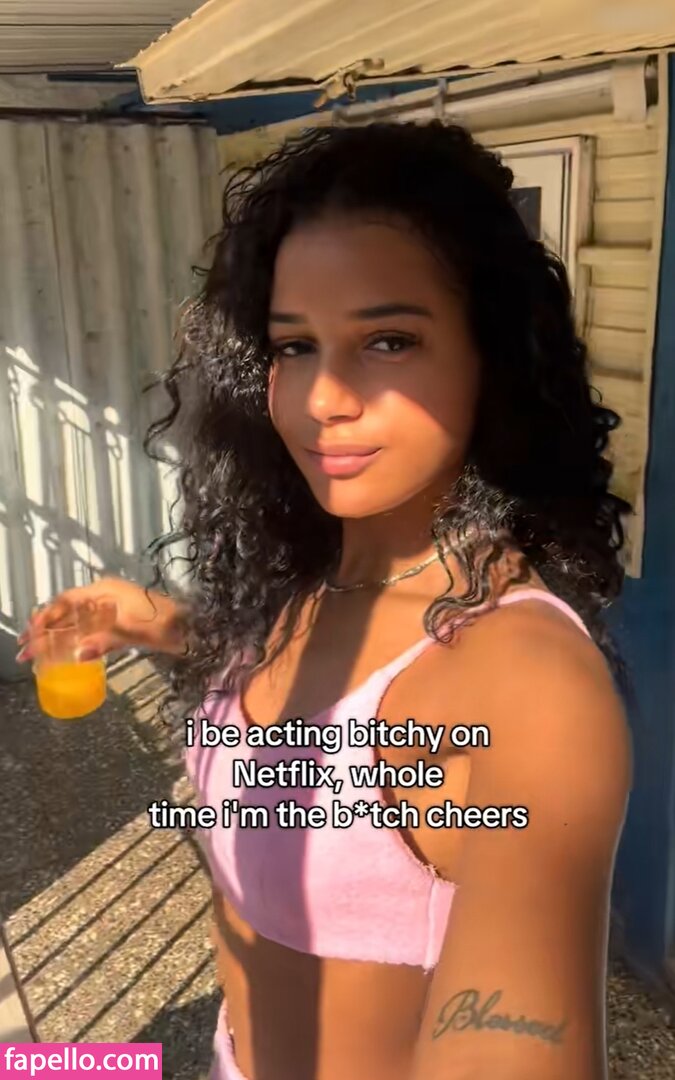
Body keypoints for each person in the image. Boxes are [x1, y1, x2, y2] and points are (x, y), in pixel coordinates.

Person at [18, 120, 632, 1080]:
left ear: (492, 359)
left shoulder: (523, 681)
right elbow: (295, 700)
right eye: (295, 345)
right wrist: (155, 620)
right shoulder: (316, 575)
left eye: (388, 340)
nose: (321, 398)